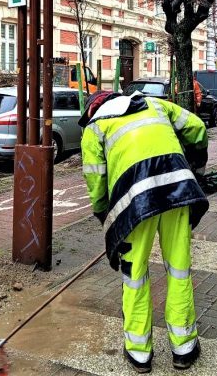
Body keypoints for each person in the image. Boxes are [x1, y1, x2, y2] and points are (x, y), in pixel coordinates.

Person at [79, 90, 209, 373]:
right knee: (179, 269)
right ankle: (184, 348)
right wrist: (196, 167)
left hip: (134, 204)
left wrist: (105, 215)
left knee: (134, 275)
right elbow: (197, 128)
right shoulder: (154, 103)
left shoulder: (94, 128)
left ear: (91, 110)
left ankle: (139, 353)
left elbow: (96, 180)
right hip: (178, 190)